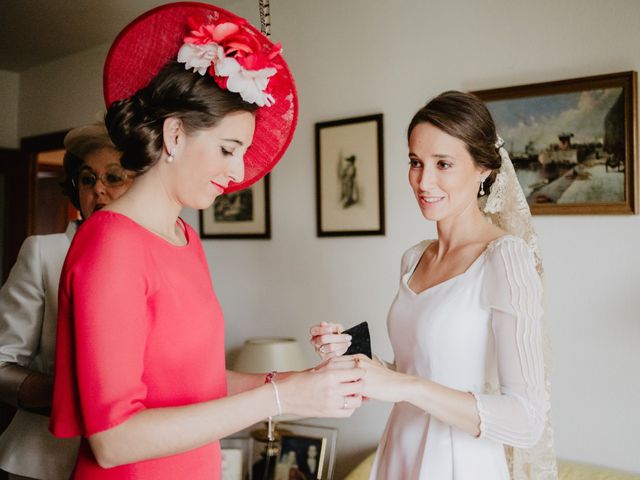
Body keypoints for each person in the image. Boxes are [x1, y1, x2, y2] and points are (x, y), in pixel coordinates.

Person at [50, 4, 363, 479]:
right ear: (174, 134)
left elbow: (198, 382)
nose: (238, 173)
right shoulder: (110, 245)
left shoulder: (185, 240)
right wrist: (277, 398)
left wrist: (301, 382)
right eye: (228, 150)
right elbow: (113, 440)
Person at [311, 91, 556, 479]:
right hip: (400, 451)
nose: (424, 181)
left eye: (443, 163)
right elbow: (412, 372)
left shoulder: (504, 259)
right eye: (415, 162)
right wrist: (355, 359)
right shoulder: (414, 259)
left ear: (483, 170)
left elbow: (526, 420)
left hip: (461, 462)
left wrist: (406, 386)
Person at [0, 122, 134, 480]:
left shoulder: (161, 257)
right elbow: (1, 363)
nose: (99, 190)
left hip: (134, 459)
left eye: (115, 177)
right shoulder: (44, 253)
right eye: (88, 179)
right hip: (44, 459)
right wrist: (73, 394)